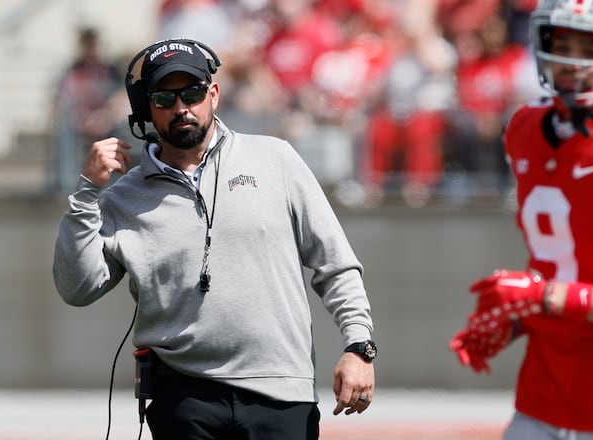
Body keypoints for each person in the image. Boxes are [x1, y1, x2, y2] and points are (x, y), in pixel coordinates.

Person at [52, 37, 376, 439]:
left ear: (214, 94)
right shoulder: (121, 197)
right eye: (165, 98)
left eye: (192, 93)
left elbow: (336, 265)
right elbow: (77, 288)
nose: (181, 107)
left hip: (281, 393)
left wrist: (359, 345)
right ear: (146, 109)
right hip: (183, 398)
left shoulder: (277, 160)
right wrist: (86, 193)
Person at [449, 0, 593, 439]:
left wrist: (546, 296)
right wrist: (518, 317)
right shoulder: (526, 127)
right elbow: (572, 264)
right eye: (563, 42)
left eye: (592, 48)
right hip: (545, 391)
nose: (571, 60)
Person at [52, 26, 126, 192]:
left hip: (105, 120)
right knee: (65, 129)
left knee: (118, 131)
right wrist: (79, 117)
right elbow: (61, 100)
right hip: (78, 120)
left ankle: (114, 181)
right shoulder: (72, 70)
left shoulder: (111, 70)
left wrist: (105, 116)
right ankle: (67, 184)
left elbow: (119, 98)